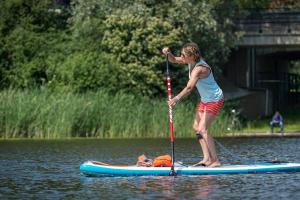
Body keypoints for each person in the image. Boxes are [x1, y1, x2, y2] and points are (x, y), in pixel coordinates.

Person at [162, 42, 224, 167]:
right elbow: (173, 59)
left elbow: (190, 87)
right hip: (205, 100)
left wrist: (176, 98)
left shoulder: (200, 68)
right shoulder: (190, 61)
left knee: (203, 129)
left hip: (215, 99)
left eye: (183, 55)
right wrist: (167, 53)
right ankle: (207, 159)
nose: (182, 57)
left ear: (192, 56)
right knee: (196, 127)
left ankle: (216, 160)